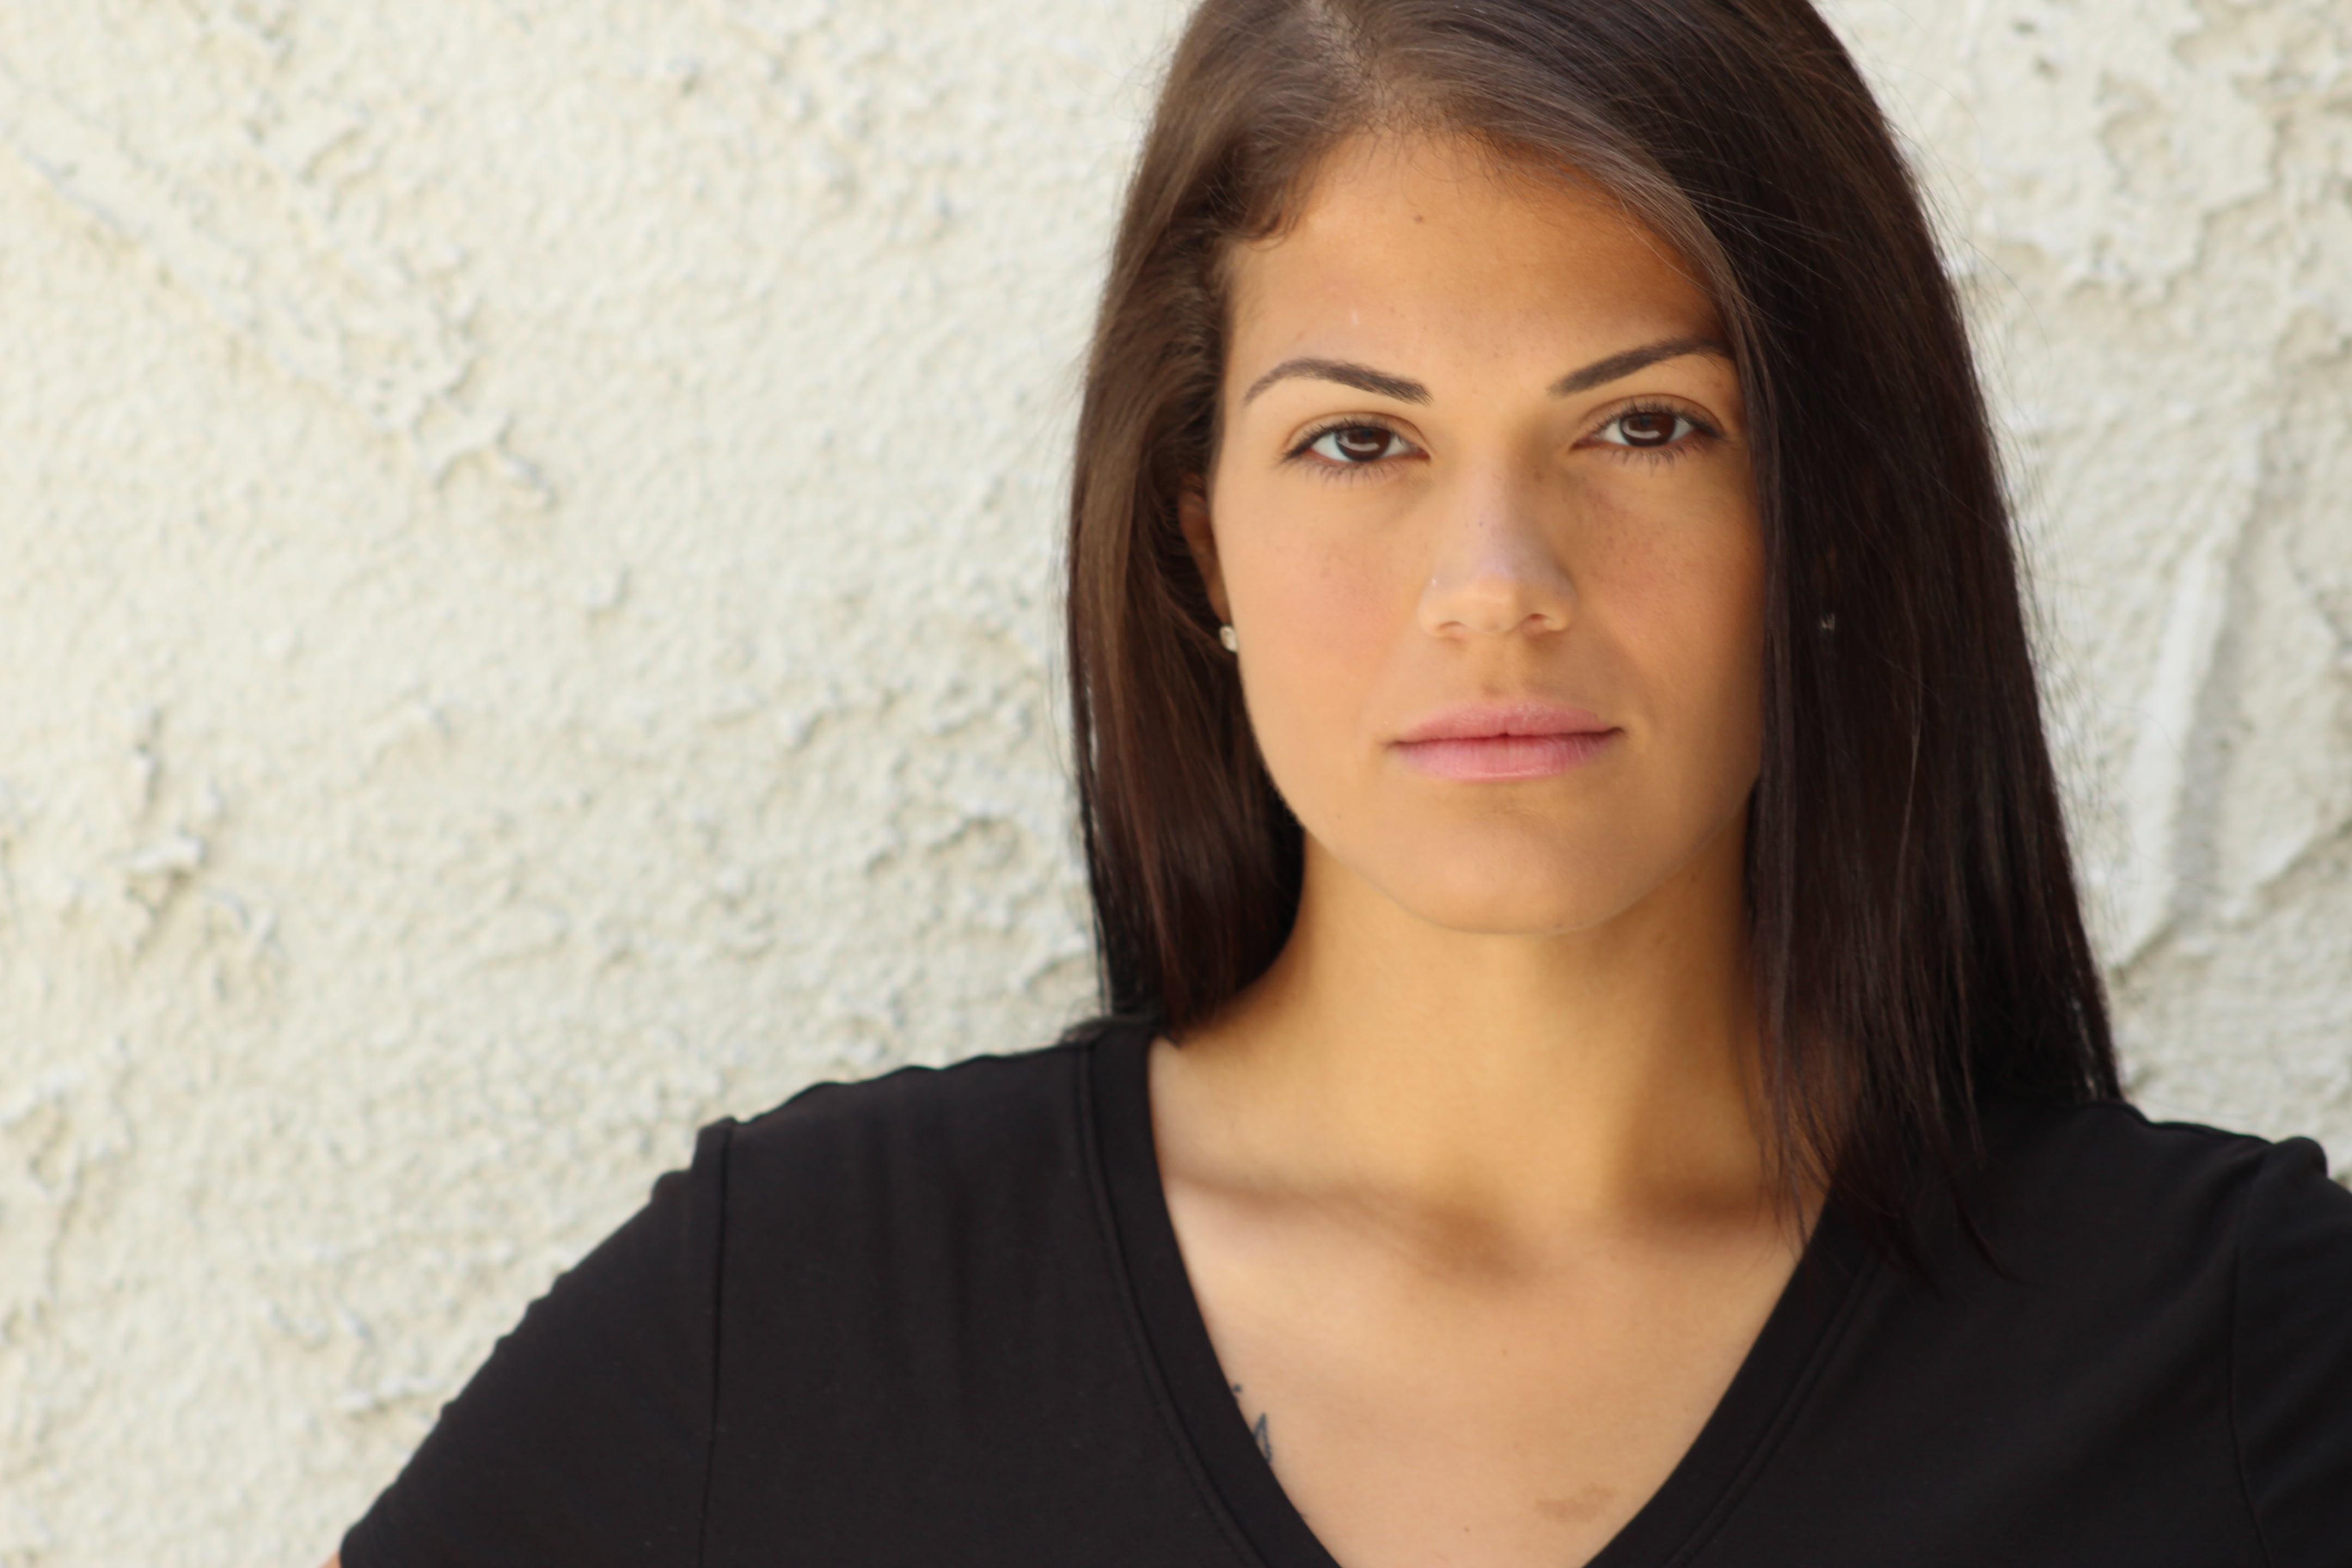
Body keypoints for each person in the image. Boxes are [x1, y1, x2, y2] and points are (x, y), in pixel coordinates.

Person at [327, 0, 2352, 1563]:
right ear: (1198, 537)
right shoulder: (801, 1319)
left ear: (1834, 519)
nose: (1497, 585)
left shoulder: (2233, 1351)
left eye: (1644, 426)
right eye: (1360, 444)